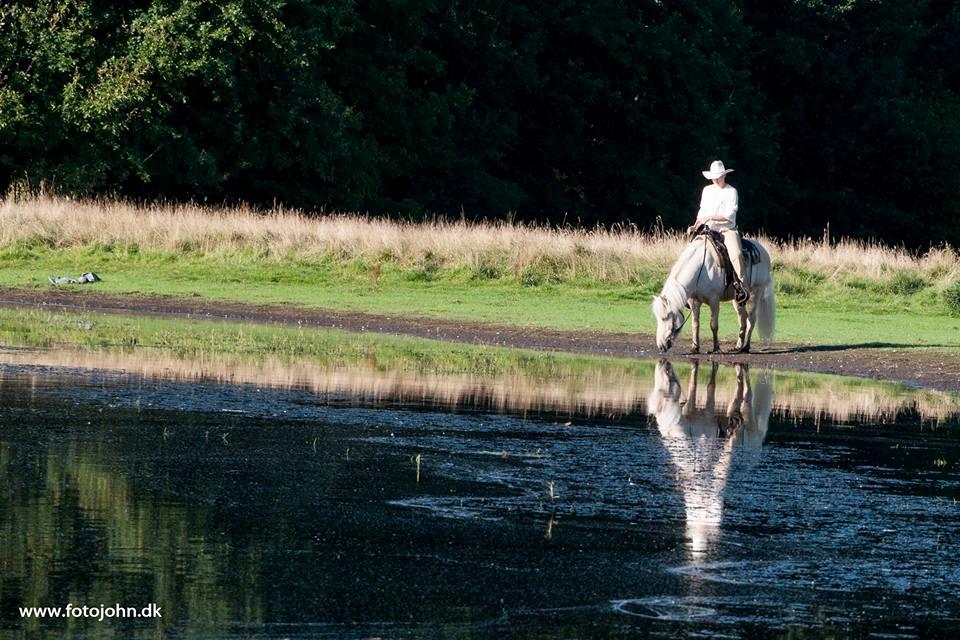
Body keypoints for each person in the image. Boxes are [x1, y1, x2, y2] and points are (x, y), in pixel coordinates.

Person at [687, 160, 749, 303]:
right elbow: (702, 211)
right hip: (708, 230)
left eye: (718, 176)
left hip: (726, 230)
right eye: (713, 177)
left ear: (724, 175)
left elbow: (729, 217)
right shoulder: (707, 190)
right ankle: (687, 289)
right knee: (690, 252)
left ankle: (742, 288)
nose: (715, 179)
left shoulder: (731, 191)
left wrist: (710, 217)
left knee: (737, 254)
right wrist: (695, 226)